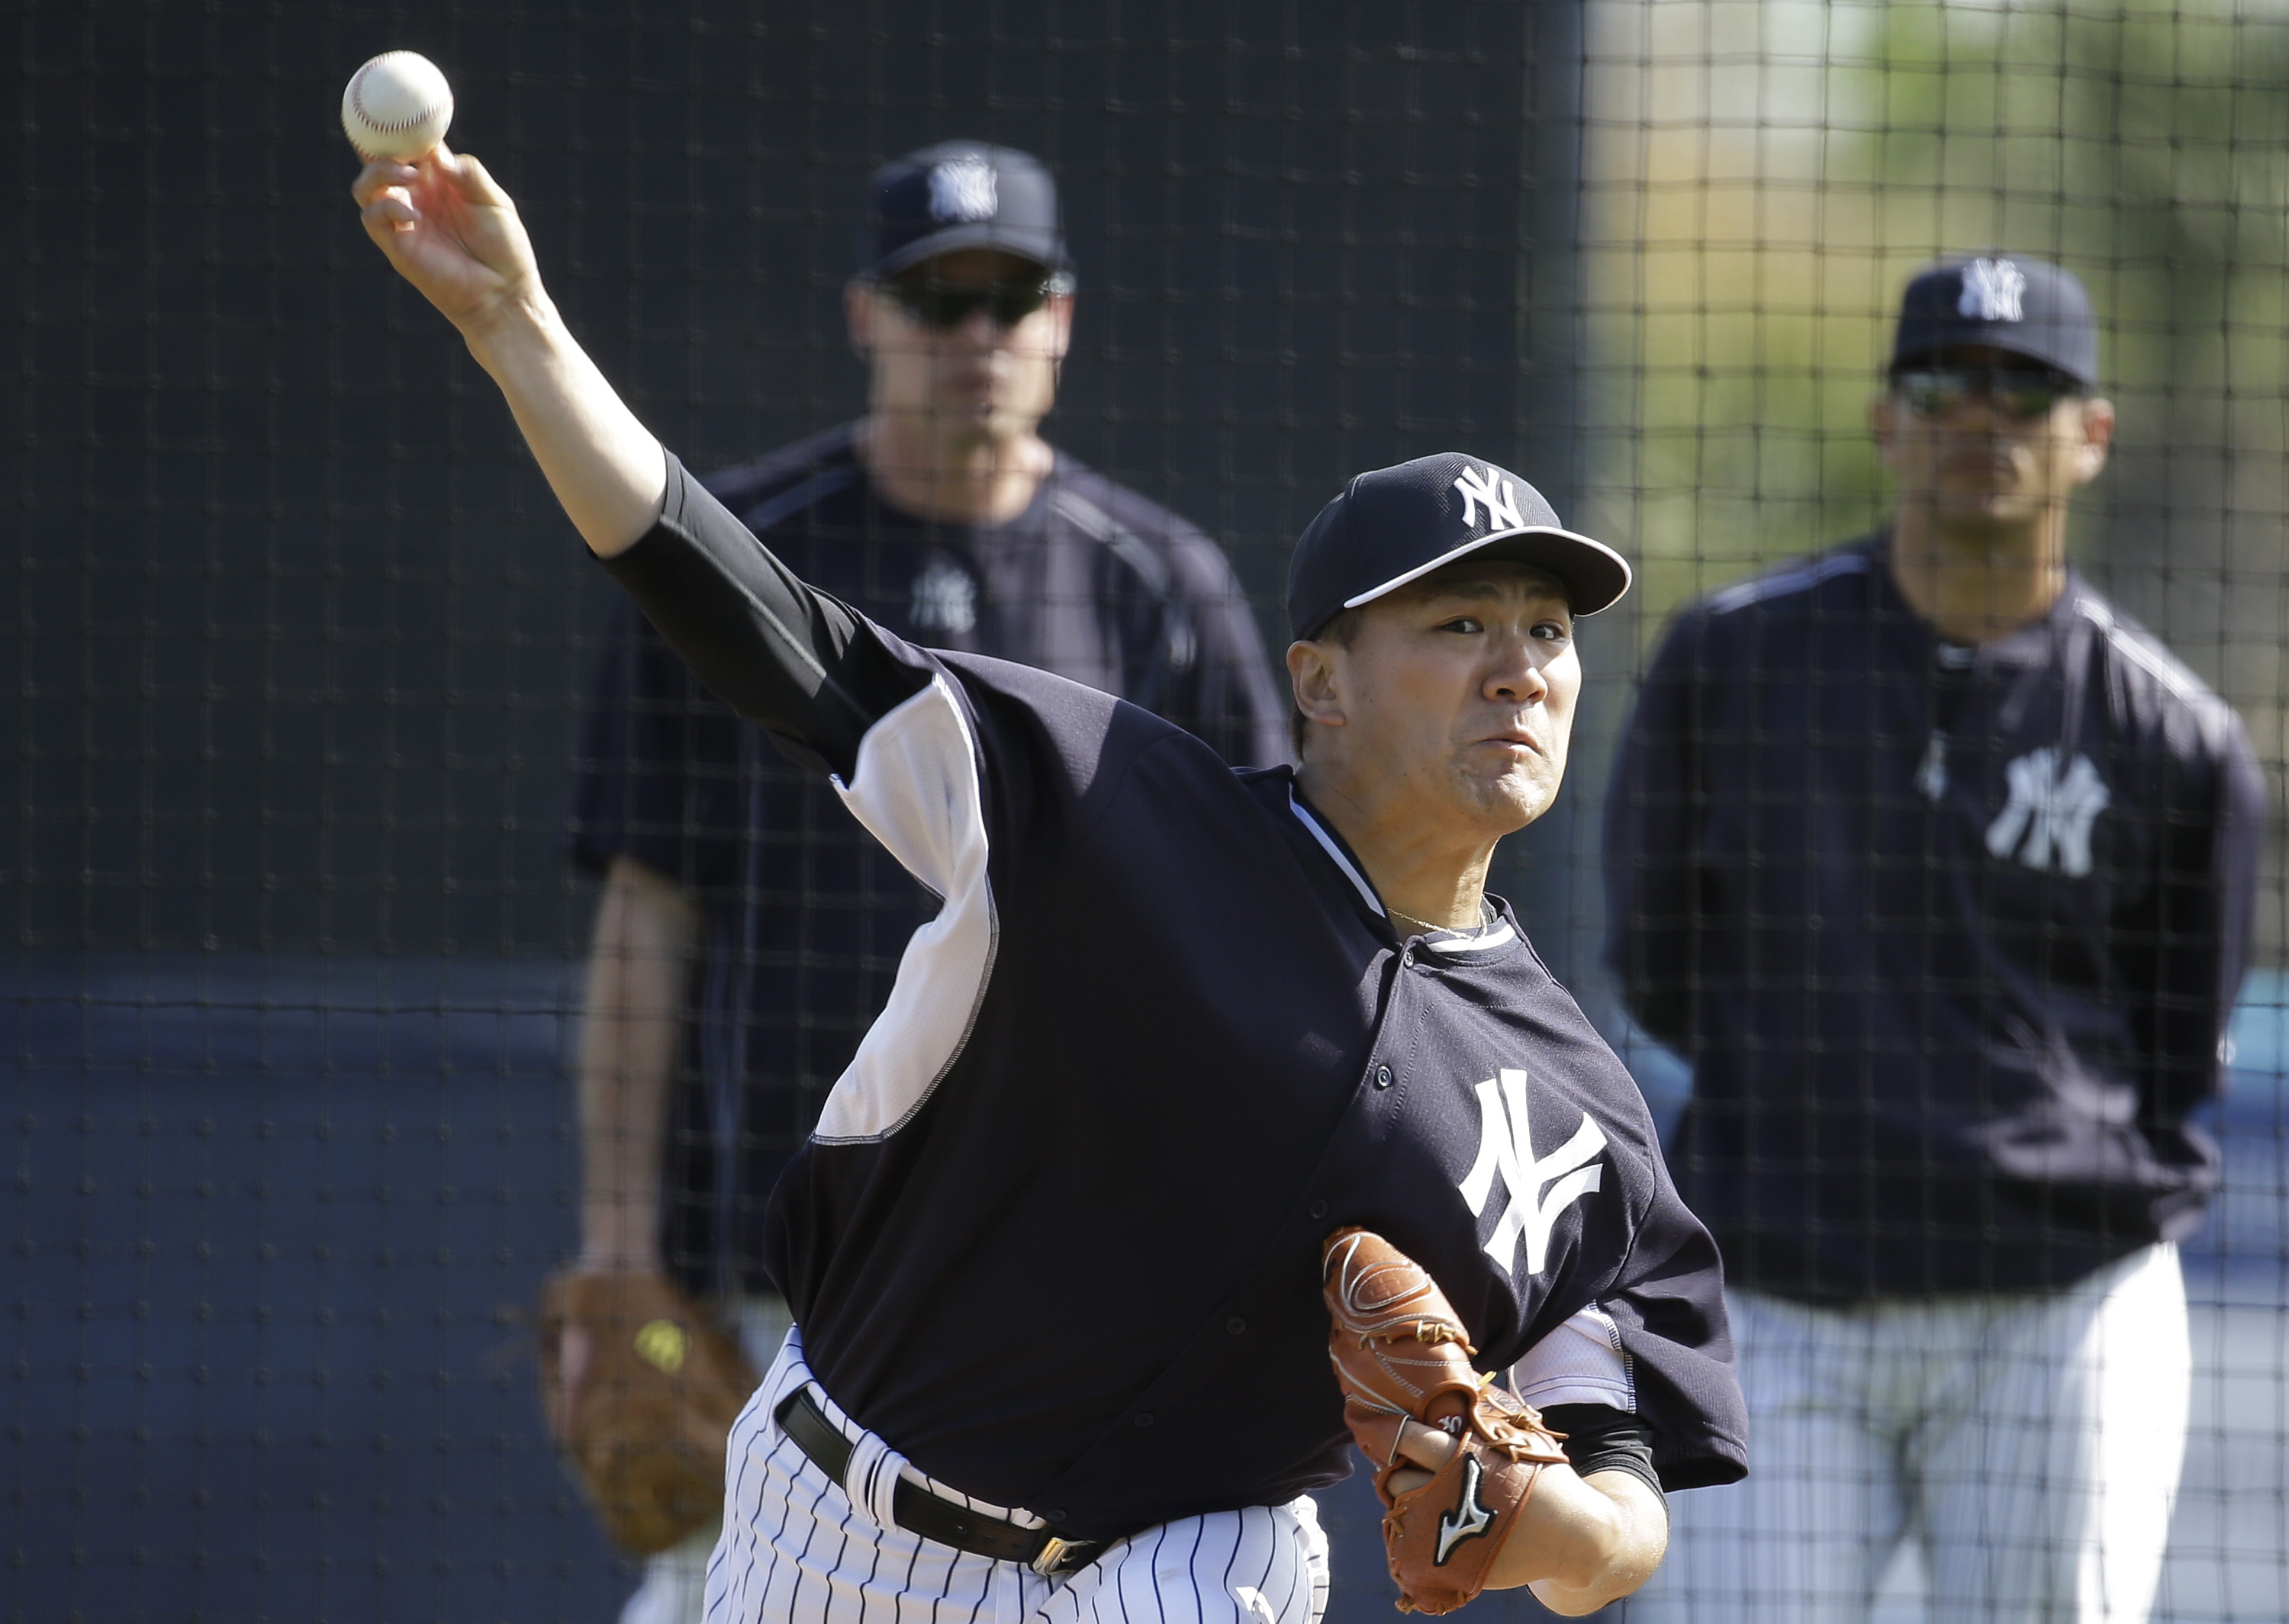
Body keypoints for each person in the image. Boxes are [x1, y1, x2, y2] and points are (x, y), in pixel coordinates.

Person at [350, 139, 1747, 1623]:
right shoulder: (1103, 812)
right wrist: (516, 328)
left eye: (1548, 631)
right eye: (1461, 625)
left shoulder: (1573, 1107)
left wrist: (1545, 1526)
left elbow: (1622, 1502)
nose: (1520, 670)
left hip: (1191, 1564)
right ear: (1320, 683)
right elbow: (748, 610)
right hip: (834, 1523)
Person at [562, 140, 1289, 1619]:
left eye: (1009, 298)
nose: (976, 335)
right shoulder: (741, 561)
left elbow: (1258, 943)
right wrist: (623, 1249)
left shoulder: (1157, 579)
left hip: (1067, 1287)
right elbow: (646, 919)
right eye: (935, 299)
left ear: (1064, 318)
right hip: (785, 1278)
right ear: (864, 316)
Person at [1605, 256, 2265, 1624]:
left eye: (2025, 390)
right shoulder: (1733, 659)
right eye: (1947, 384)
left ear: (2090, 434)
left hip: (2055, 1309)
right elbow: (1658, 960)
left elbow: (2177, 1036)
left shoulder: (2175, 732)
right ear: (1887, 419)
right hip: (1775, 1295)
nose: (1984, 417)